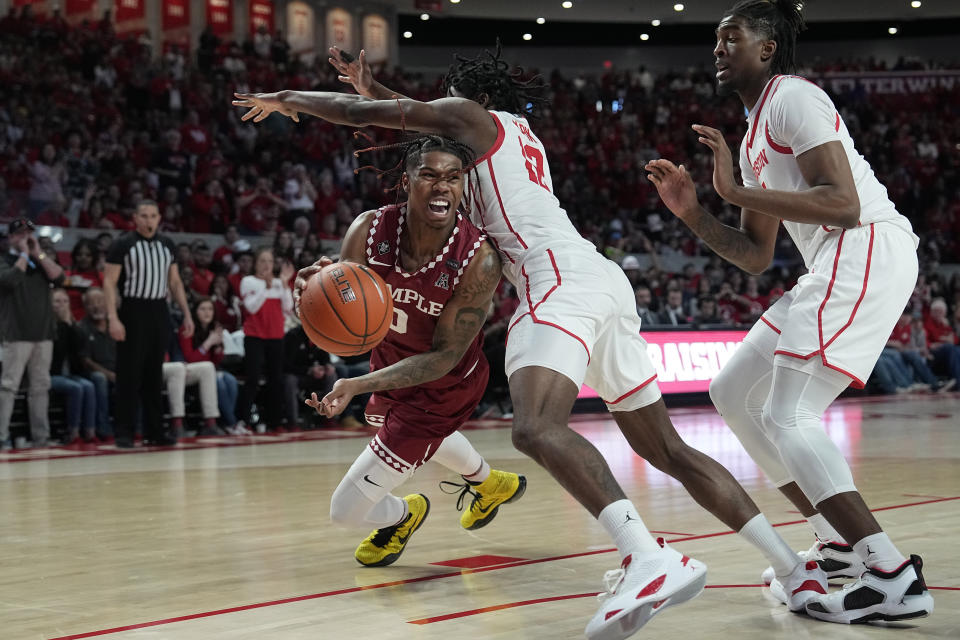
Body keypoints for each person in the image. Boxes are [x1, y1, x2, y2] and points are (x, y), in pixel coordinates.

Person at [239, 44, 828, 638]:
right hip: (600, 278)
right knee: (667, 449)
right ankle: (793, 568)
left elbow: (380, 119)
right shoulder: (512, 142)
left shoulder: (475, 121)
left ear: (469, 99)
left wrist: (286, 99)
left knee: (534, 428)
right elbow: (408, 125)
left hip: (555, 281)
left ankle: (646, 558)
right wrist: (376, 92)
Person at [645, 0, 933, 624]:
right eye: (716, 40)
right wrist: (693, 211)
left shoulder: (793, 98)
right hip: (826, 266)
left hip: (864, 247)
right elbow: (754, 255)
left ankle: (889, 573)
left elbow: (844, 204)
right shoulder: (752, 136)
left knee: (790, 412)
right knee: (732, 391)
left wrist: (734, 191)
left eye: (732, 38)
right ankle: (836, 546)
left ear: (768, 47)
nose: (719, 49)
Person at [300, 136, 526, 567]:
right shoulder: (368, 230)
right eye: (429, 175)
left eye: (453, 178)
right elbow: (340, 296)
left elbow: (443, 356)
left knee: (344, 511)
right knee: (388, 421)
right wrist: (311, 289)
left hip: (445, 385)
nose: (442, 186)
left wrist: (357, 384)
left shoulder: (478, 260)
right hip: (391, 362)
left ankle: (404, 514)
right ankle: (487, 481)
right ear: (406, 181)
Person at [103, 201, 194, 448]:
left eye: (153, 216)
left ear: (159, 217)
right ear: (135, 218)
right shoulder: (123, 244)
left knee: (154, 374)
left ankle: (155, 430)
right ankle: (125, 431)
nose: (149, 220)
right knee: (129, 375)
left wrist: (187, 313)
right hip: (133, 310)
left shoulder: (167, 244)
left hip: (159, 311)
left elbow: (174, 283)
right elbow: (109, 282)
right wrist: (113, 317)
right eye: (143, 216)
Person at [0, 217, 65, 449]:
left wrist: (37, 253)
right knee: (8, 386)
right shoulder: (4, 261)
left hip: (43, 333)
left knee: (40, 387)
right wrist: (24, 255)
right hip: (16, 334)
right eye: (20, 234)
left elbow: (59, 278)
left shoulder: (40, 262)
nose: (25, 238)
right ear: (10, 237)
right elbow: (9, 281)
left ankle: (41, 437)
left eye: (29, 233)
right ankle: (1, 436)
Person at [237, 247, 293, 432]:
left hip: (276, 336)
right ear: (255, 263)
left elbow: (288, 307)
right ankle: (243, 420)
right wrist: (266, 288)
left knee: (275, 380)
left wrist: (284, 284)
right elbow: (251, 308)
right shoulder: (248, 281)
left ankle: (274, 422)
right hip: (254, 336)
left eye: (269, 261)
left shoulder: (279, 283)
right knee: (252, 378)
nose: (266, 265)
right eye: (262, 261)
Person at [179, 297, 241, 434]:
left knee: (230, 380)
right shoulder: (187, 329)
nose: (207, 313)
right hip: (191, 372)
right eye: (203, 309)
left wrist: (218, 348)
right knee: (220, 382)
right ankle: (232, 423)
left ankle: (225, 423)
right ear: (195, 312)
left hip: (211, 370)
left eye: (210, 309)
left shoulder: (213, 328)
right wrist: (208, 343)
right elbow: (190, 359)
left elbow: (216, 361)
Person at [50, 287, 98, 443]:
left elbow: (79, 349)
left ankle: (90, 432)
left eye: (65, 301)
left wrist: (69, 324)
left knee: (89, 386)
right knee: (76, 388)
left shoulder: (74, 326)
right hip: (52, 374)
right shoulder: (47, 327)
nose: (62, 305)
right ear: (50, 304)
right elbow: (58, 351)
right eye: (57, 301)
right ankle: (73, 432)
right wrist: (64, 325)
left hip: (71, 373)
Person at [79, 287, 115, 439]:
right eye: (91, 303)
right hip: (92, 373)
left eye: (100, 301)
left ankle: (138, 428)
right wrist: (108, 374)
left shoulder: (115, 325)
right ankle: (103, 429)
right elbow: (85, 360)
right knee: (100, 379)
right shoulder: (81, 328)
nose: (96, 306)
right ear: (85, 307)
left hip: (116, 370)